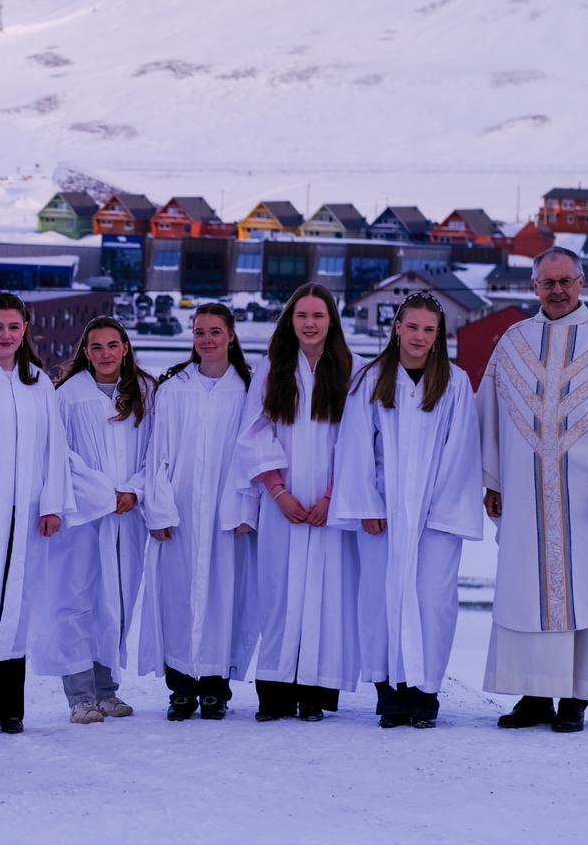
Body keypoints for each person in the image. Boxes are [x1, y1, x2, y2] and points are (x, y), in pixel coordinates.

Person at [478, 247, 588, 733]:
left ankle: (576, 700)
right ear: (533, 287)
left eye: (565, 281)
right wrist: (492, 480)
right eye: (547, 283)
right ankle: (534, 697)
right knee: (526, 591)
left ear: (581, 283)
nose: (556, 291)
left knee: (586, 593)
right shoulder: (513, 341)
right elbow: (489, 416)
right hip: (524, 497)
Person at [332, 293, 482, 729]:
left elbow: (461, 452)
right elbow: (356, 446)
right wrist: (365, 503)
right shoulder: (371, 379)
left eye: (428, 329)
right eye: (412, 327)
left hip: (435, 516)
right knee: (379, 598)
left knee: (432, 600)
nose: (419, 336)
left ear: (439, 336)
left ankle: (425, 694)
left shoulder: (454, 384)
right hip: (383, 513)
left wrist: (442, 512)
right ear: (397, 327)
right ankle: (390, 694)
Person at [234, 283, 358, 722]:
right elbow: (253, 433)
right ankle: (274, 693)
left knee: (326, 596)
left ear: (331, 322)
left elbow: (356, 442)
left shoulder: (351, 370)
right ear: (290, 321)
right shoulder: (272, 371)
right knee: (280, 594)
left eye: (318, 316)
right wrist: (278, 492)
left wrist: (332, 497)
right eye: (301, 316)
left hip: (330, 508)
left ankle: (314, 694)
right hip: (281, 505)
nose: (309, 324)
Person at [0, 292, 73, 735]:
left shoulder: (38, 381)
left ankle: (11, 705)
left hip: (29, 511)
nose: (6, 334)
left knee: (18, 600)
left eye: (14, 327)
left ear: (25, 331)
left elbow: (54, 448)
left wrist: (53, 504)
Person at [137, 304, 259, 721]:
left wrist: (247, 507)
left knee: (224, 597)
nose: (207, 339)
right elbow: (159, 455)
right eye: (200, 332)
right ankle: (181, 689)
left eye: (215, 331)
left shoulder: (247, 388)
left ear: (231, 335)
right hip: (182, 510)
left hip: (228, 512)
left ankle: (215, 688)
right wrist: (159, 510)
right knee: (177, 597)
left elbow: (253, 453)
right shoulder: (175, 388)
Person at [37, 318, 152, 725]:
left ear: (125, 348)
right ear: (85, 352)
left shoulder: (145, 391)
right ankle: (80, 696)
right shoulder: (67, 395)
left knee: (117, 601)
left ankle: (107, 691)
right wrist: (104, 494)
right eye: (96, 347)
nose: (105, 354)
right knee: (77, 601)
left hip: (128, 516)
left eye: (112, 345)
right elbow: (60, 454)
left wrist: (134, 490)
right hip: (83, 516)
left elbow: (156, 452)